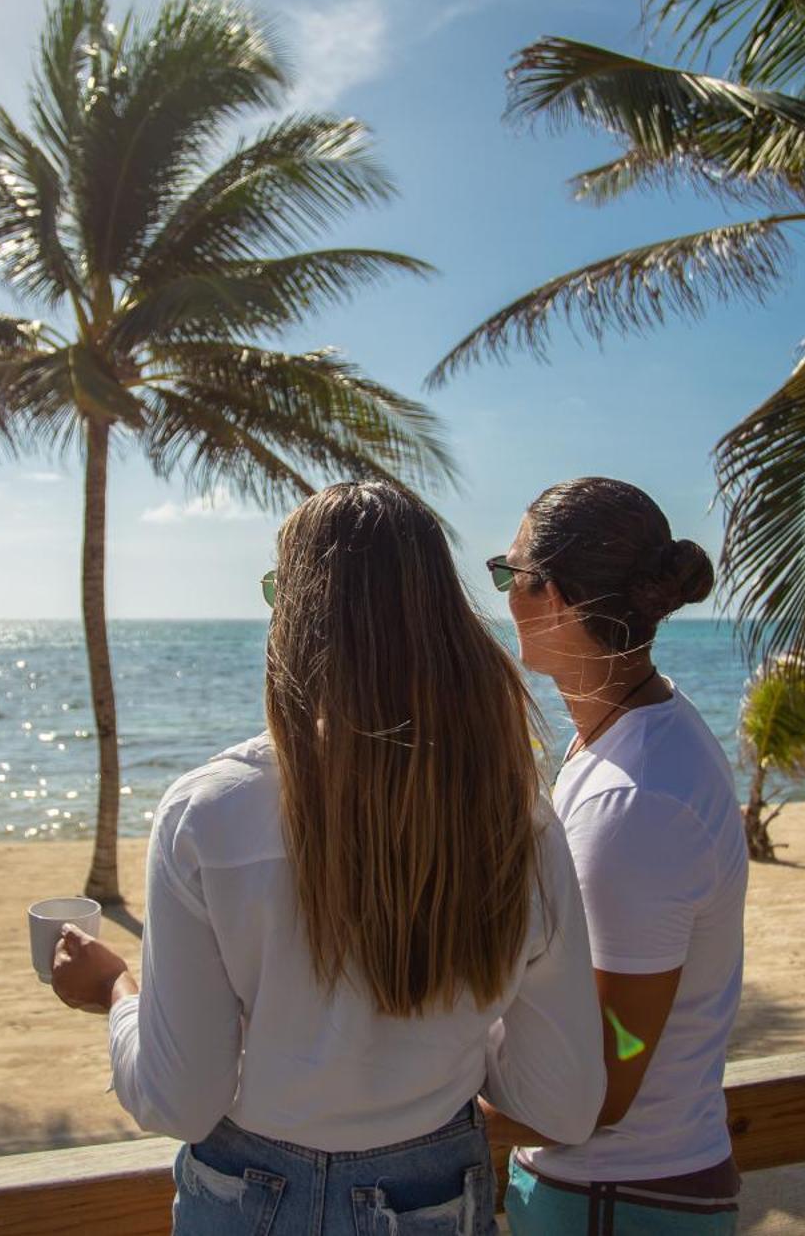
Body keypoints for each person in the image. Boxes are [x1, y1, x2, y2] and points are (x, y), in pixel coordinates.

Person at [51, 480, 605, 1235]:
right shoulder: (519, 822)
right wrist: (454, 1031)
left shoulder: (206, 815)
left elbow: (182, 1097)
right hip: (431, 1200)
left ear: (300, 615)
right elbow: (564, 1101)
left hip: (245, 1200)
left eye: (281, 589)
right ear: (440, 616)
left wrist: (115, 988)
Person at [487, 476, 748, 1234]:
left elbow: (601, 1082)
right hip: (623, 1191)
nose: (503, 594)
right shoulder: (633, 735)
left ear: (556, 596)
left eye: (509, 573)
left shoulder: (634, 802)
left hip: (617, 1199)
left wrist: (434, 1076)